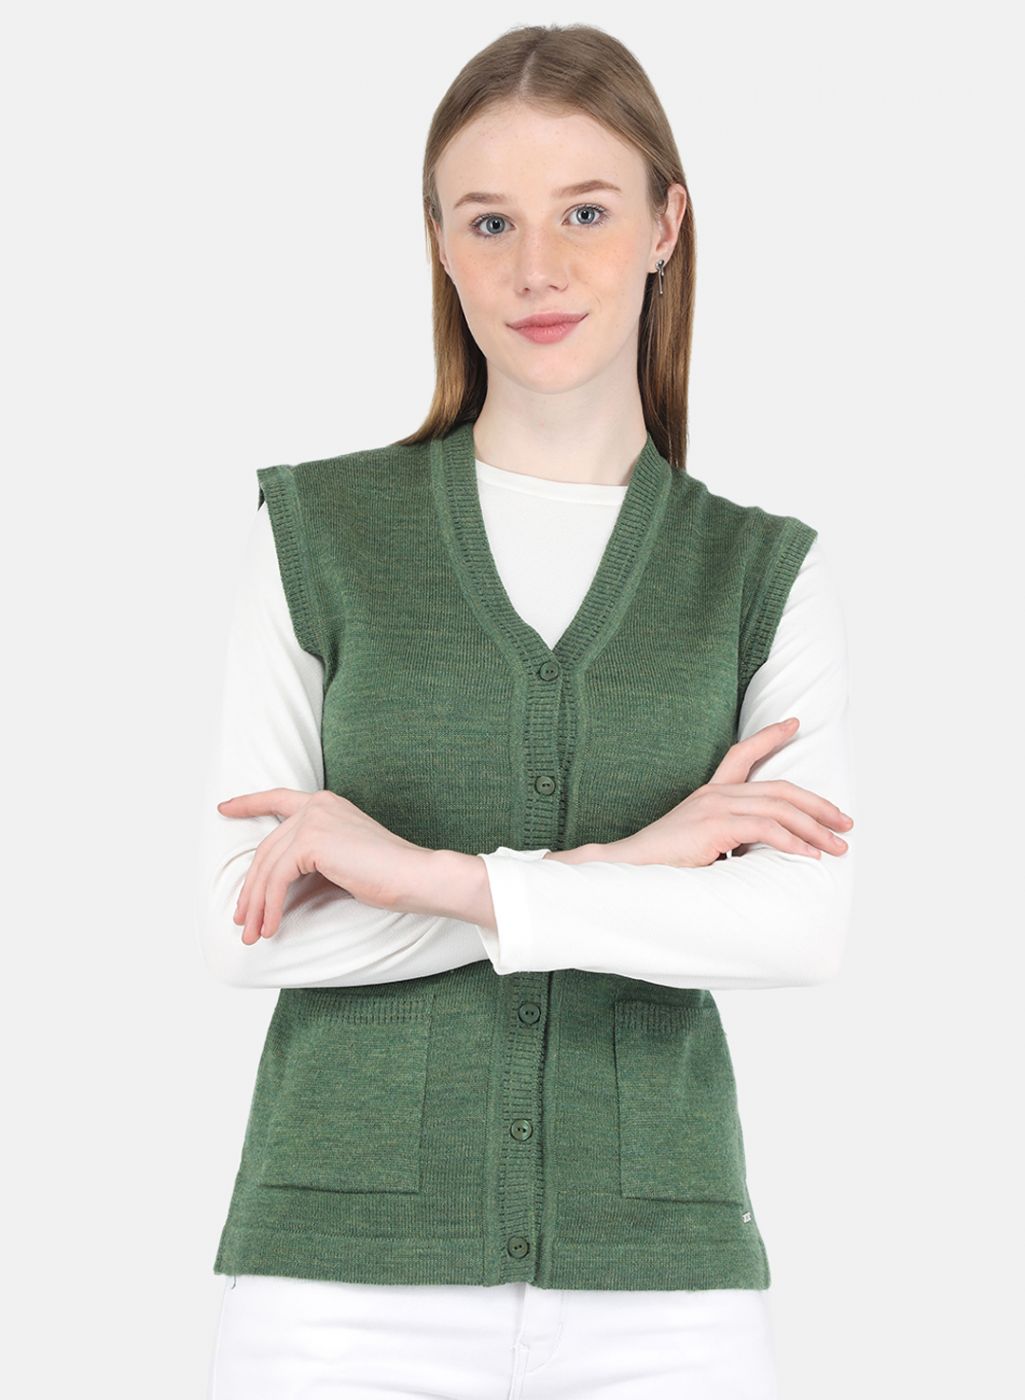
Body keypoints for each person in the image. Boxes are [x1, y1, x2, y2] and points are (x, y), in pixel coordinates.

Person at [197, 22, 855, 1400]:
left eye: (586, 212)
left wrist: (426, 878)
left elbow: (796, 927)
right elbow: (239, 930)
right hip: (338, 1291)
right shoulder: (319, 531)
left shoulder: (758, 571)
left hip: (663, 1293)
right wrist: (640, 866)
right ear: (438, 243)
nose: (536, 268)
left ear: (667, 226)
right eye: (489, 220)